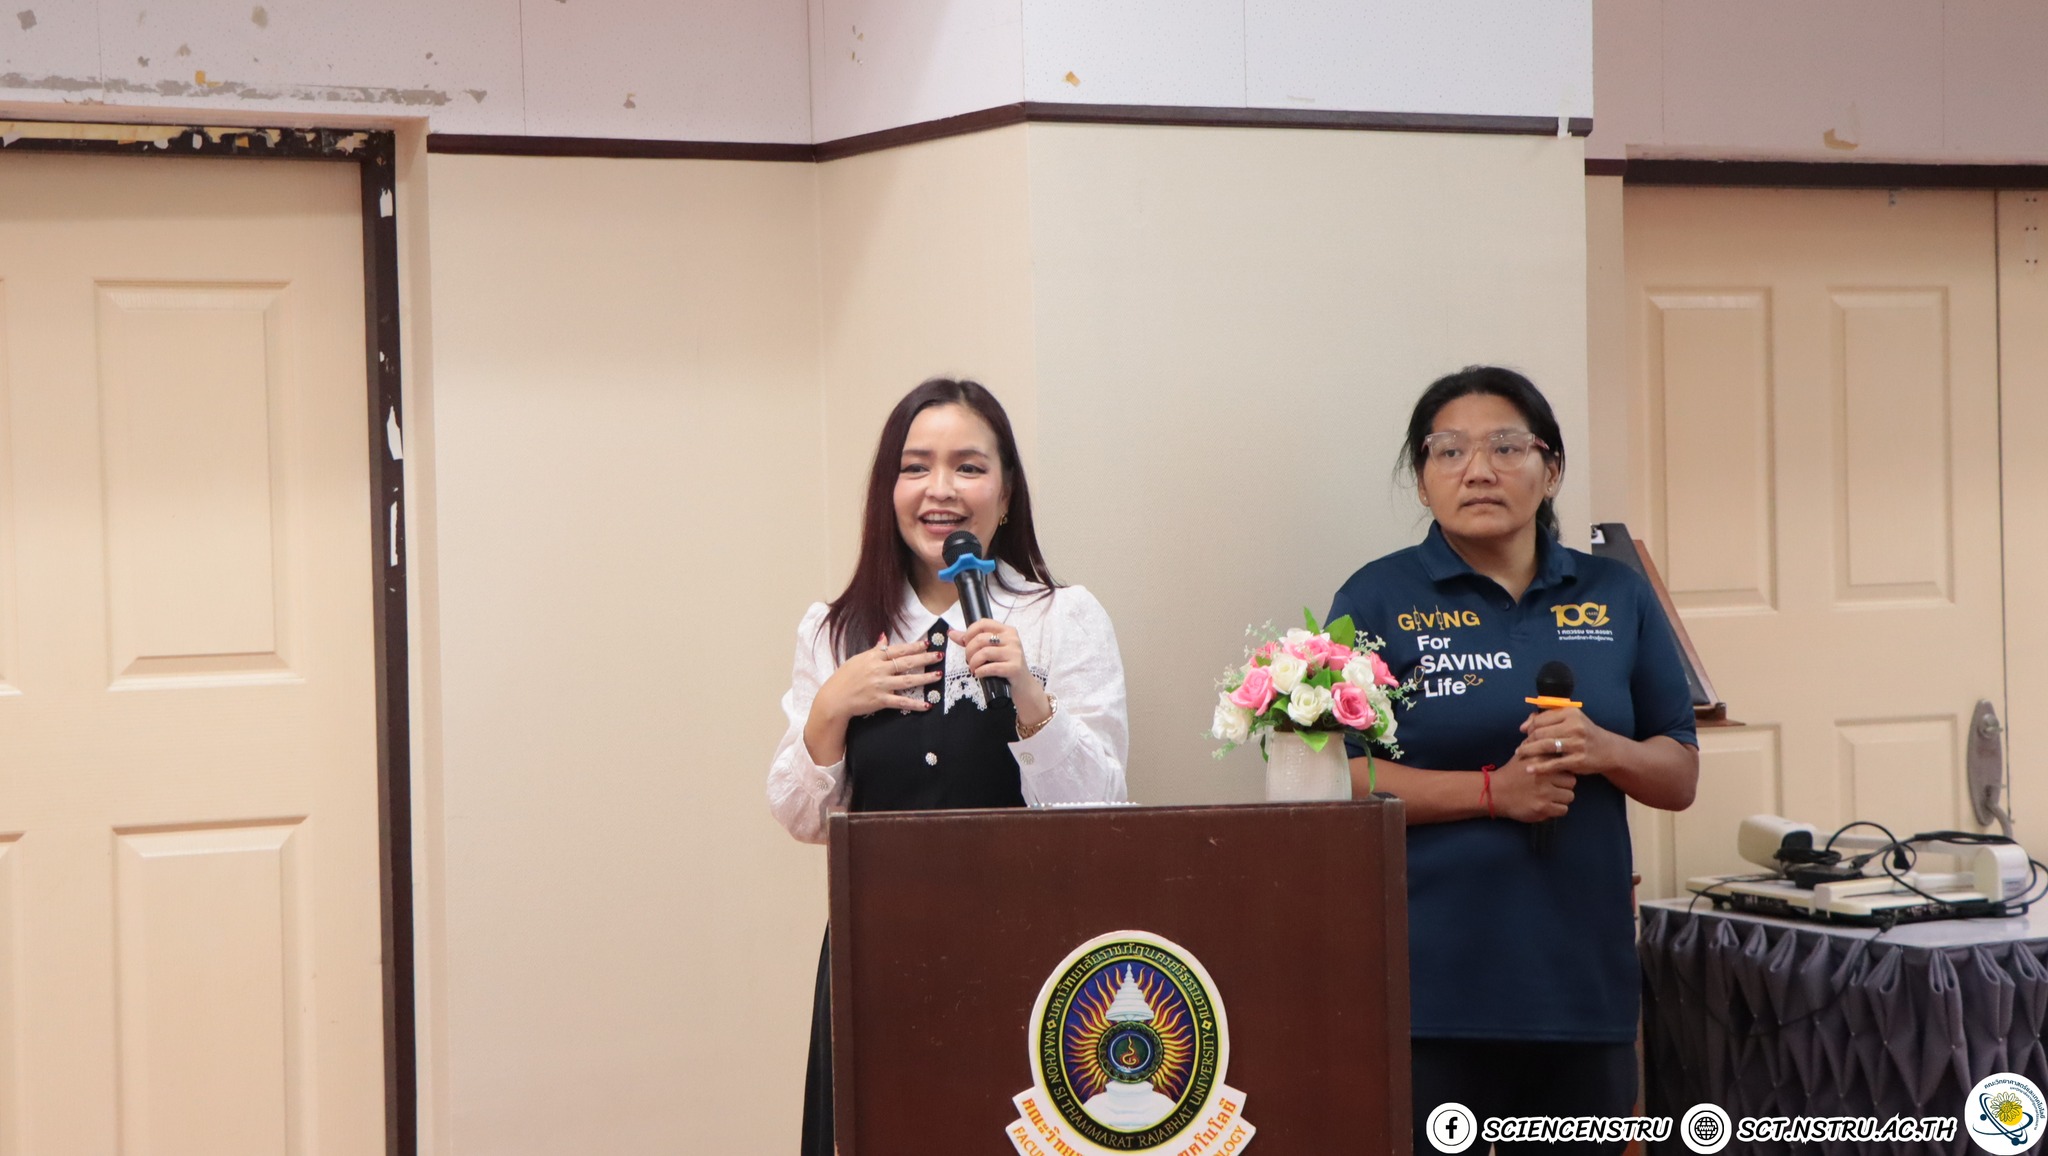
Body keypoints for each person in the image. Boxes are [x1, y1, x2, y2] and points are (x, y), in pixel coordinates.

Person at [1326, 366, 1698, 1154]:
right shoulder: (1377, 597)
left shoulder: (1616, 594)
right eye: (1449, 451)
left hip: (1579, 983)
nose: (1478, 470)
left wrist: (1606, 749)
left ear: (1550, 468)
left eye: (1505, 447)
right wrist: (1493, 792)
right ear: (1422, 480)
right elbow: (1338, 777)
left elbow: (1679, 773)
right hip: (1430, 985)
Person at [767, 377, 1129, 1156]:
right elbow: (801, 818)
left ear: (1006, 493)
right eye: (916, 467)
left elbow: (1101, 813)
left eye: (969, 467)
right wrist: (832, 707)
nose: (941, 490)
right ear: (887, 491)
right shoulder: (835, 630)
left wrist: (1028, 693)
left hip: (1029, 950)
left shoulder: (1060, 617)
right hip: (875, 952)